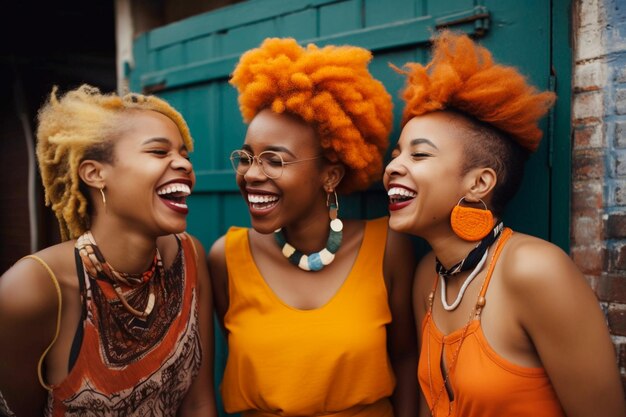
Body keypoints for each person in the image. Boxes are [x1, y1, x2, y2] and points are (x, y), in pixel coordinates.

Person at [383, 31, 626, 417]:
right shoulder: (426, 275)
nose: (394, 167)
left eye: (419, 155)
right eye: (397, 154)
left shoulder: (536, 270)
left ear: (479, 183)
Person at [208, 38, 419, 417]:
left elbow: (406, 359)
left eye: (275, 160)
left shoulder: (387, 246)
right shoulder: (228, 256)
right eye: (246, 157)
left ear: (330, 176)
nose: (252, 174)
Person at [0, 85, 216, 417]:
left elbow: (199, 402)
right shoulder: (32, 289)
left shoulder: (190, 257)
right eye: (159, 152)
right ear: (95, 173)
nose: (184, 165)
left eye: (184, 155)